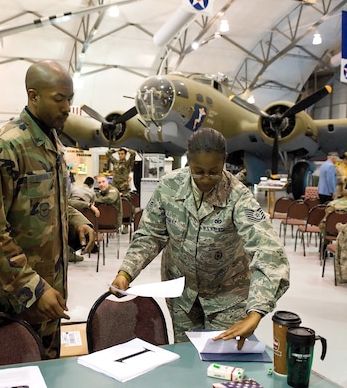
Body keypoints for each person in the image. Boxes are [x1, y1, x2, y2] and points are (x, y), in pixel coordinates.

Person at [110, 128, 290, 347]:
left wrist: (256, 312)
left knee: (223, 366)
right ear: (188, 162)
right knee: (187, 363)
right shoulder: (169, 186)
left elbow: (268, 251)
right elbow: (150, 235)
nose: (205, 179)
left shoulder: (239, 197)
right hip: (182, 295)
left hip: (227, 297)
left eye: (214, 172)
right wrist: (126, 272)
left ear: (224, 163)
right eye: (198, 171)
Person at [0, 59, 96, 360]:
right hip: (12, 300)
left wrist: (77, 223)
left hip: (49, 296)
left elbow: (55, 203)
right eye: (59, 99)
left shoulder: (51, 143)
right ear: (33, 96)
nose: (67, 107)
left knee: (47, 371)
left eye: (70, 99)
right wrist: (33, 289)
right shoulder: (6, 148)